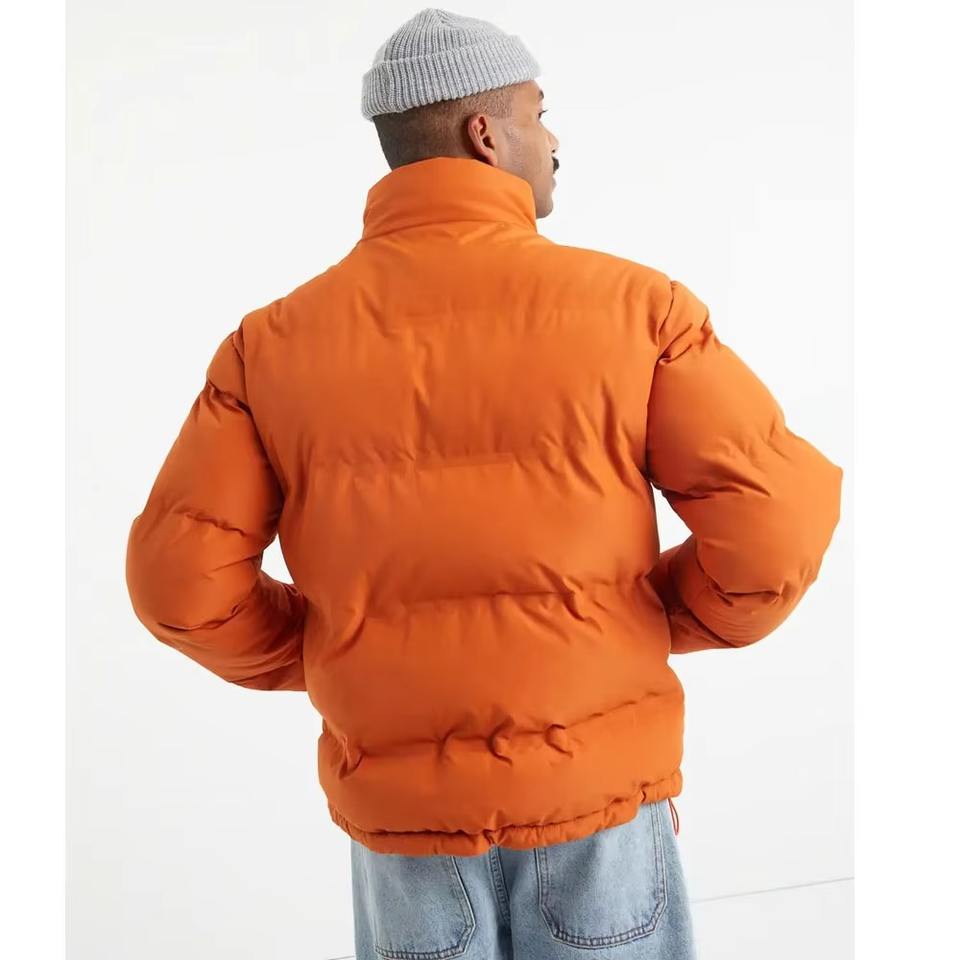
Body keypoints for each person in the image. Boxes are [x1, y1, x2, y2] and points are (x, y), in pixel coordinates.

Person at [124, 8, 844, 959]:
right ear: (485, 133)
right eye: (539, 114)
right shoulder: (636, 308)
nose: (554, 141)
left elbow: (178, 585)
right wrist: (651, 618)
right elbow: (776, 525)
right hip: (595, 798)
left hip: (404, 830)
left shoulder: (272, 344)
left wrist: (342, 647)